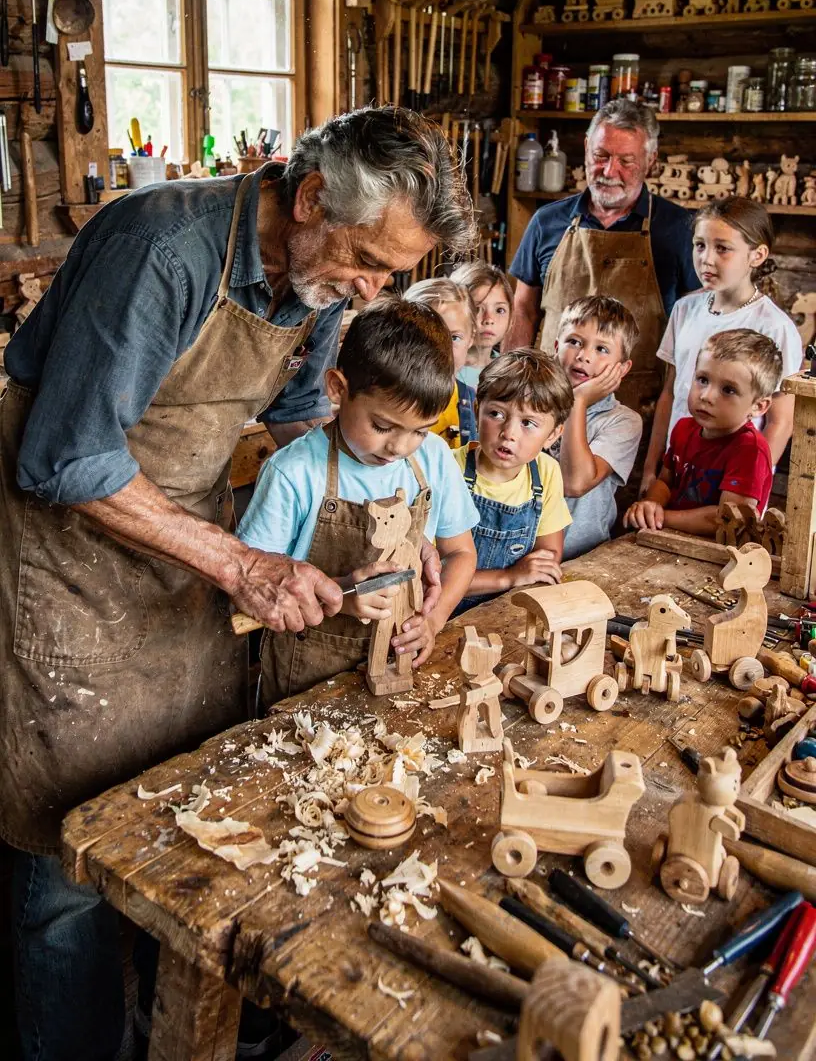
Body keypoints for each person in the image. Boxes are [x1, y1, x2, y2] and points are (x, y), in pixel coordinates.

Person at [0, 105, 475, 1061]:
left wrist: (387, 504)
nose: (375, 289)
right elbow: (64, 456)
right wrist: (242, 561)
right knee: (67, 851)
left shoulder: (317, 274)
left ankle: (152, 1009)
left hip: (180, 547)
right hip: (67, 559)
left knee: (172, 802)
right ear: (309, 200)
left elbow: (306, 417)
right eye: (371, 264)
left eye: (390, 274)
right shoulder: (164, 250)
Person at [238, 299, 479, 707]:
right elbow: (255, 591)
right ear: (338, 388)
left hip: (396, 668)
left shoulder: (433, 458)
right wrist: (342, 597)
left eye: (419, 431)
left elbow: (460, 553)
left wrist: (434, 620)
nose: (400, 447)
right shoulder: (293, 473)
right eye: (382, 426)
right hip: (305, 683)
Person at [505, 98, 697, 408]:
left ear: (651, 161)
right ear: (585, 148)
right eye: (601, 155)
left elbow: (696, 324)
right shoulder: (547, 222)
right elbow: (523, 310)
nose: (609, 170)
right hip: (550, 405)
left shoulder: (680, 230)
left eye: (626, 160)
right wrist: (511, 387)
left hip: (638, 408)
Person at [642, 198, 802, 493]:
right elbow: (670, 394)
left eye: (723, 248)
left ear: (757, 255)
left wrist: (747, 485)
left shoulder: (774, 326)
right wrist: (650, 471)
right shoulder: (684, 310)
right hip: (675, 473)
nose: (707, 259)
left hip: (731, 481)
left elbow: (780, 421)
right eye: (700, 245)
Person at [624, 329, 782, 538]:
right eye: (703, 380)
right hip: (668, 540)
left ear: (759, 406)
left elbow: (729, 519)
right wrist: (649, 506)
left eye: (728, 390)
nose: (706, 396)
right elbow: (665, 482)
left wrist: (662, 517)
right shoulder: (684, 428)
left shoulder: (750, 450)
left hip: (716, 557)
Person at [452, 349, 574, 615]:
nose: (508, 433)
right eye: (496, 414)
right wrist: (508, 576)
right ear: (476, 410)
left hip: (508, 611)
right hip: (443, 613)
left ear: (553, 434)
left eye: (528, 422)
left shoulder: (546, 472)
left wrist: (520, 577)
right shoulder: (450, 469)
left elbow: (548, 556)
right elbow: (434, 574)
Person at [552, 296, 643, 560]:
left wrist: (578, 401)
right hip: (522, 554)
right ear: (557, 346)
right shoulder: (533, 404)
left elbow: (575, 483)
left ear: (623, 368)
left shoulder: (623, 422)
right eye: (574, 342)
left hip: (581, 557)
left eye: (602, 349)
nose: (584, 356)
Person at [403, 277, 478, 445]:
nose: (441, 348)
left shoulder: (473, 402)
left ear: (471, 338)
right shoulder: (386, 397)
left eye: (454, 337)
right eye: (425, 336)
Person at [449, 260, 513, 390]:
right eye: (477, 309)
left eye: (499, 310)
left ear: (511, 317)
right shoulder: (445, 371)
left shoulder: (509, 371)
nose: (489, 319)